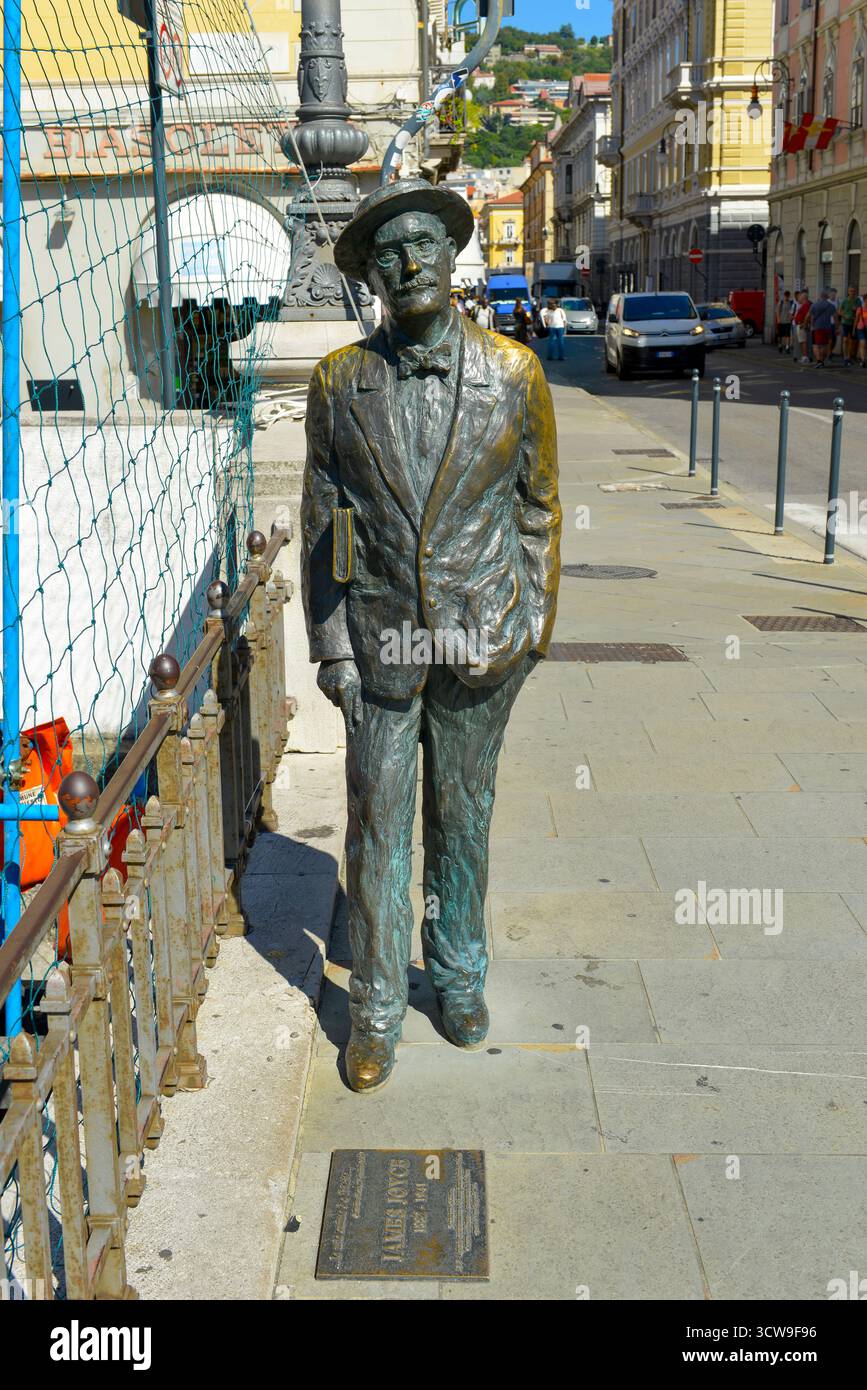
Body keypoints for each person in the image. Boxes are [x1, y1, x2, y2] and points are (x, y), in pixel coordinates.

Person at [302, 177, 561, 1093]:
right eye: (387, 254)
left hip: (482, 633)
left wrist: (532, 623)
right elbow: (322, 521)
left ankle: (456, 977)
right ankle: (373, 1009)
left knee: (464, 817)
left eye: (421, 246)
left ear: (451, 257)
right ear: (369, 275)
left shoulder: (515, 373)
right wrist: (331, 646)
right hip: (376, 643)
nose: (407, 264)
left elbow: (537, 508)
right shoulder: (338, 380)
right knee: (377, 823)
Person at [809, 289, 836, 367]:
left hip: (816, 327)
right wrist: (837, 327)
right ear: (827, 296)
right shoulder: (831, 306)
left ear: (820, 296)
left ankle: (819, 361)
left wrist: (809, 324)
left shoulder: (814, 305)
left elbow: (810, 316)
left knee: (816, 345)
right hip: (827, 327)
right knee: (825, 345)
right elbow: (835, 317)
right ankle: (822, 361)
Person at [839, 284, 862, 367]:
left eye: (854, 291)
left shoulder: (858, 300)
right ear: (848, 292)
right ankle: (845, 357)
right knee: (845, 340)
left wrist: (856, 309)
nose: (852, 293)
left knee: (852, 341)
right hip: (845, 322)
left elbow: (861, 310)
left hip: (854, 322)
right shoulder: (844, 301)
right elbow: (839, 311)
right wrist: (844, 315)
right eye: (851, 291)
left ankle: (849, 357)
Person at [793, 290, 811, 363]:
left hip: (801, 325)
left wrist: (804, 324)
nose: (798, 298)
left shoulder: (806, 305)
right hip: (800, 324)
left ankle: (805, 357)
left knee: (803, 341)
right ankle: (804, 356)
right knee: (801, 341)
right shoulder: (804, 305)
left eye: (800, 297)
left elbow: (808, 315)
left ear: (803, 298)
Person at [775, 289, 794, 354]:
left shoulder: (790, 302)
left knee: (787, 335)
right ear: (784, 296)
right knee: (780, 335)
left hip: (788, 321)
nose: (787, 297)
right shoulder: (781, 302)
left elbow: (791, 311)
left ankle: (787, 347)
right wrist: (778, 319)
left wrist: (791, 318)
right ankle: (780, 345)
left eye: (788, 296)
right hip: (781, 321)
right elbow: (777, 311)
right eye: (786, 296)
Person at [854, 297, 867, 368]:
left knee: (865, 345)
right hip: (861, 328)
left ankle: (862, 357)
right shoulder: (860, 309)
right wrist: (854, 329)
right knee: (863, 343)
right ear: (864, 300)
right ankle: (863, 360)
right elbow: (856, 319)